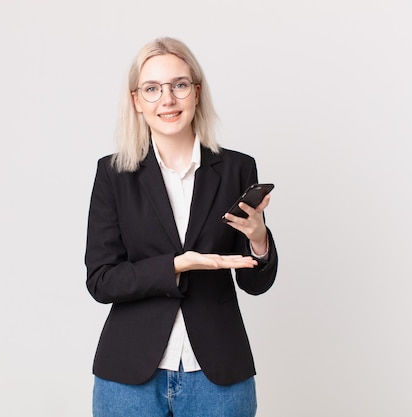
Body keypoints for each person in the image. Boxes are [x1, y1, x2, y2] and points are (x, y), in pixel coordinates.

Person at [85, 37, 278, 417]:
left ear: (196, 93)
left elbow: (254, 283)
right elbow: (101, 280)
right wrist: (177, 265)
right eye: (152, 89)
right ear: (137, 101)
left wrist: (258, 240)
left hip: (218, 375)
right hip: (129, 377)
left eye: (179, 85)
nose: (167, 99)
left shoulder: (237, 169)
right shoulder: (113, 174)